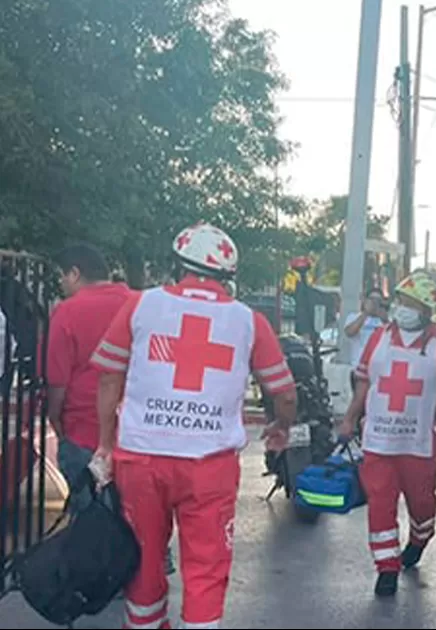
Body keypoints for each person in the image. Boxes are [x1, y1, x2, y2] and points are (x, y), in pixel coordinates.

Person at [87, 222, 298, 630]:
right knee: (206, 567)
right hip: (209, 466)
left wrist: (104, 446)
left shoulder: (140, 305)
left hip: (142, 457)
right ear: (228, 276)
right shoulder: (248, 321)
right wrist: (280, 427)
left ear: (177, 264)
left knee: (142, 560)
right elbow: (284, 393)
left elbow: (109, 377)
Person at [339, 268, 436, 596]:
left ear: (425, 309)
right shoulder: (379, 337)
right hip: (378, 438)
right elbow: (365, 381)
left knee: (421, 504)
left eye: (410, 302)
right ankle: (386, 567)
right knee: (380, 502)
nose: (402, 307)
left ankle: (420, 538)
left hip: (419, 443)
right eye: (401, 300)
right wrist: (350, 418)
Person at [45, 243, 133, 508]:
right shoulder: (138, 304)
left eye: (61, 276)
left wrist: (55, 419)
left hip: (83, 427)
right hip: (134, 432)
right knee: (136, 519)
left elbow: (57, 379)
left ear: (74, 273)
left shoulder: (68, 311)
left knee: (88, 522)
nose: (61, 284)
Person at [343, 288, 388, 391]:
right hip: (358, 369)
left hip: (379, 371)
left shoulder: (384, 321)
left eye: (378, 301)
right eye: (372, 300)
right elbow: (350, 332)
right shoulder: (354, 317)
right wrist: (365, 313)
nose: (375, 304)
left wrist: (385, 320)